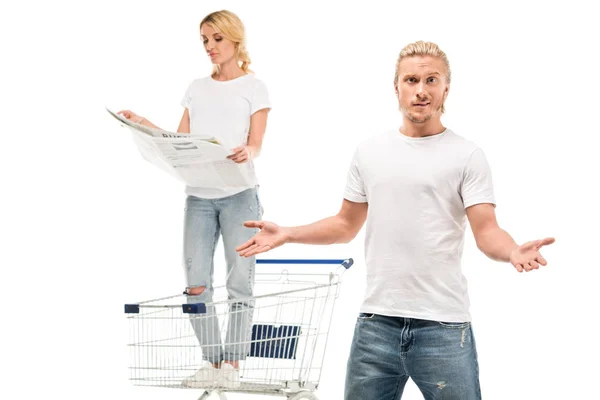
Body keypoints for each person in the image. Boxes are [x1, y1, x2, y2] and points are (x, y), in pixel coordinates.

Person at [235, 40, 554, 399]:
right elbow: (345, 224)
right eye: (412, 80)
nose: (421, 91)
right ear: (397, 87)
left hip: (444, 328)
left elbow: (487, 230)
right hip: (376, 326)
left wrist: (512, 251)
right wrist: (288, 234)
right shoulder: (370, 152)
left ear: (446, 88)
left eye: (431, 80)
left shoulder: (467, 155)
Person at [119, 9, 271, 389]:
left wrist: (247, 152)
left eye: (217, 38)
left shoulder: (255, 88)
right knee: (197, 285)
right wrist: (144, 124)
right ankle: (212, 361)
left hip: (240, 196)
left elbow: (256, 145)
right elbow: (180, 141)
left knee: (240, 283)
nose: (210, 47)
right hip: (199, 199)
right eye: (204, 40)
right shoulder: (196, 87)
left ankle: (232, 365)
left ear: (235, 39)